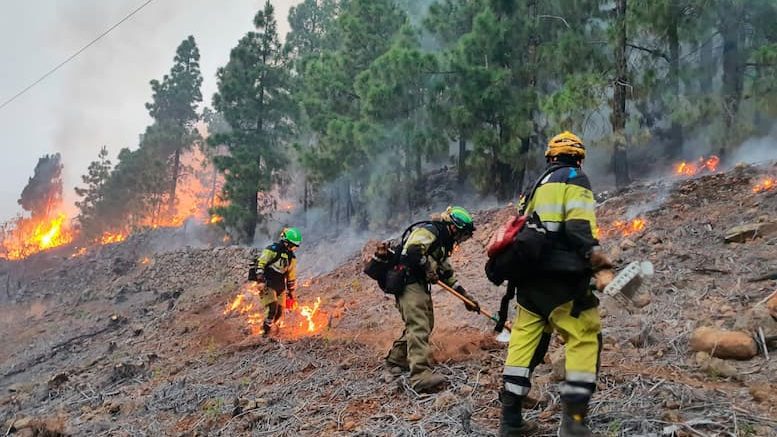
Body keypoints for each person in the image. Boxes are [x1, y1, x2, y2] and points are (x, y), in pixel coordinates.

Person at [499, 132, 613, 436]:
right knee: (585, 336)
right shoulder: (575, 177)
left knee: (524, 343)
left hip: (528, 282)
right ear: (578, 157)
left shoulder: (534, 187)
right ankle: (573, 424)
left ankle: (510, 421)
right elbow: (578, 227)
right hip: (562, 281)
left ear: (550, 157)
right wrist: (595, 257)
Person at [385, 206, 482, 393]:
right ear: (454, 227)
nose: (461, 239)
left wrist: (465, 296)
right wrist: (427, 268)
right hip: (407, 282)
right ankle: (420, 375)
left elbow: (445, 273)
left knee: (425, 323)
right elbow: (412, 252)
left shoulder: (443, 243)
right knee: (418, 325)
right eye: (462, 234)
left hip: (419, 285)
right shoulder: (430, 231)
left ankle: (396, 359)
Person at [248, 227, 302, 337]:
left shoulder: (292, 258)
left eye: (294, 247)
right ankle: (264, 333)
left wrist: (291, 293)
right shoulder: (272, 250)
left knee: (279, 312)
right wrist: (260, 279)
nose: (292, 248)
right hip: (267, 283)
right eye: (291, 245)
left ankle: (270, 330)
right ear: (285, 241)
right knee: (272, 307)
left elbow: (291, 276)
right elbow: (261, 263)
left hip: (280, 286)